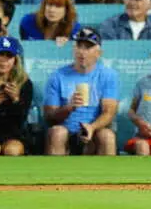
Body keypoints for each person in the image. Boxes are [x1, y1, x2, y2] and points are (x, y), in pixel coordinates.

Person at [43, 26, 120, 156]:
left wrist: (92, 127)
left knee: (107, 136)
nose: (82, 52)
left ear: (99, 53)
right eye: (79, 46)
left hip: (95, 129)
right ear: (74, 49)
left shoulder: (109, 75)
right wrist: (69, 108)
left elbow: (109, 112)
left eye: (88, 47)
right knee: (57, 133)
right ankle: (55, 176)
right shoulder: (57, 76)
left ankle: (108, 176)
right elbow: (49, 117)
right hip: (65, 130)